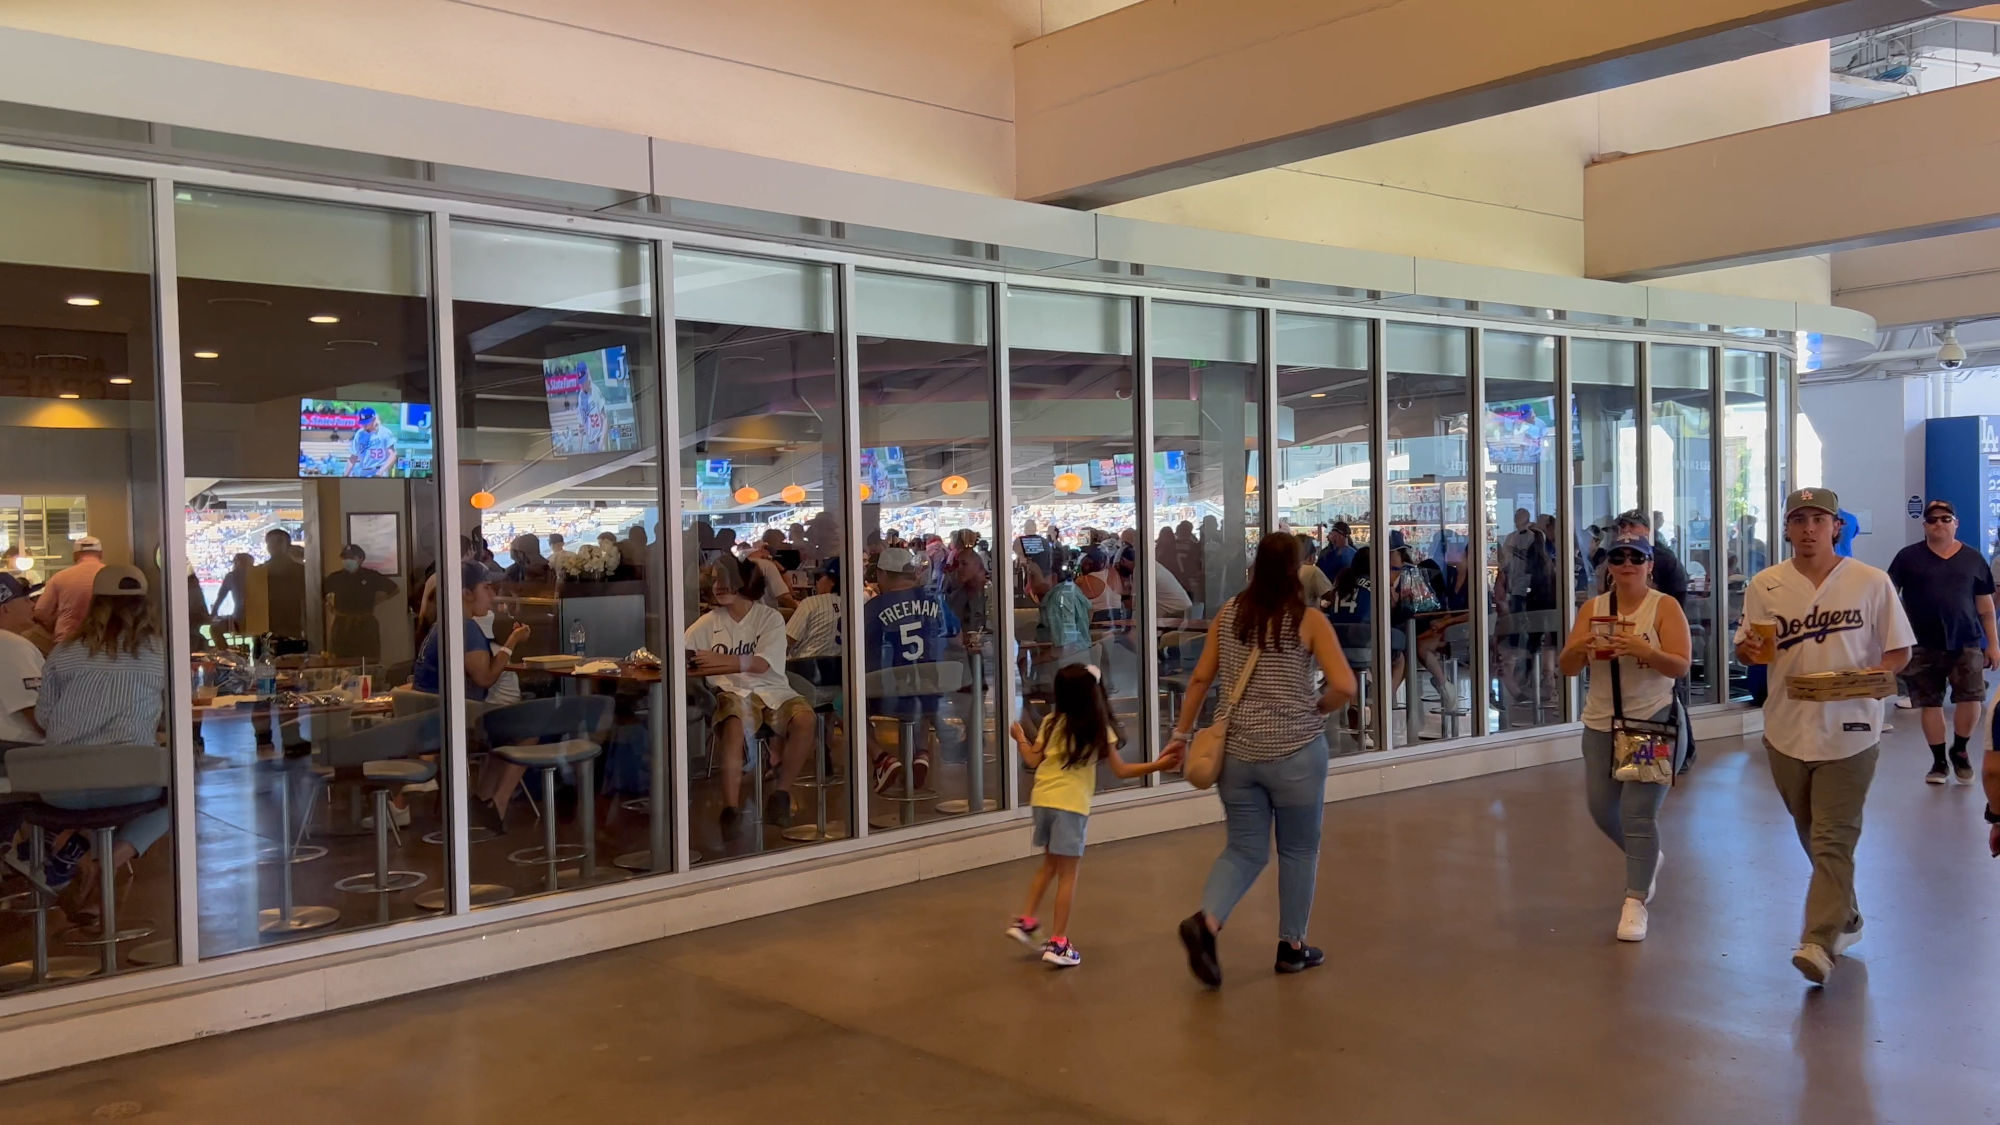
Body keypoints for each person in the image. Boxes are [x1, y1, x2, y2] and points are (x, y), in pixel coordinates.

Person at [1735, 487, 1913, 986]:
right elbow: (1753, 652)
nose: (1809, 528)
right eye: (1798, 519)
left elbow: (1900, 651)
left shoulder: (1870, 582)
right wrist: (1748, 650)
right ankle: (1847, 916)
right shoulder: (1766, 584)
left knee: (1835, 836)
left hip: (1852, 728)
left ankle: (1818, 940)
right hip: (1786, 725)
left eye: (1819, 519)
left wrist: (1874, 675)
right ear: (1786, 528)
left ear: (1837, 526)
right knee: (1810, 831)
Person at [1167, 533, 1357, 987]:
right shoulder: (1308, 621)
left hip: (1236, 754)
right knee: (1298, 850)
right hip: (1296, 754)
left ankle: (1207, 921)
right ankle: (1292, 947)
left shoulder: (1231, 613)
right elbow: (1345, 686)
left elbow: (1199, 678)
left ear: (1255, 565)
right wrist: (1319, 706)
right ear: (1296, 569)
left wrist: (1181, 734)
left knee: (1244, 849)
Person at [1557, 533, 1692, 942]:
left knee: (1637, 814)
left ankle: (1635, 900)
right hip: (1600, 722)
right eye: (1619, 557)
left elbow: (1680, 666)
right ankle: (1648, 857)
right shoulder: (1593, 609)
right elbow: (1566, 667)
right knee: (1602, 810)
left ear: (1651, 565)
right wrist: (1582, 645)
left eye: (1637, 557)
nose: (1628, 563)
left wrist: (1642, 649)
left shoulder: (1663, 607)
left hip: (1650, 722)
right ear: (1609, 566)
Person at [1003, 663, 1180, 968]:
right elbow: (1121, 770)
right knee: (1069, 875)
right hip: (1070, 805)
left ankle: (1027, 921)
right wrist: (1159, 766)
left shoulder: (1050, 722)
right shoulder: (1098, 727)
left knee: (1049, 865)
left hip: (1042, 799)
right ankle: (1059, 943)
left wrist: (1020, 737)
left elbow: (1032, 757)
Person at [33, 564, 169, 918]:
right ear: (146, 605)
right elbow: (175, 716)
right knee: (184, 791)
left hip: (60, 787)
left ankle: (83, 853)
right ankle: (110, 860)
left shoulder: (63, 653)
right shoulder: (161, 654)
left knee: (94, 807)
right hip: (129, 783)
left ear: (95, 603)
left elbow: (44, 719)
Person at [687, 559, 815, 833]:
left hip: (774, 689)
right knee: (734, 723)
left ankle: (781, 793)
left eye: (726, 579)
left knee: (805, 719)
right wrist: (724, 664)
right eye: (716, 580)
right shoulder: (708, 623)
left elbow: (761, 665)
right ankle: (730, 809)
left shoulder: (769, 618)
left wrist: (717, 660)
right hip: (731, 690)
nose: (719, 586)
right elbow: (685, 656)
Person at [1885, 500, 1998, 785]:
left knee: (1971, 699)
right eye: (1932, 520)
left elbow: (1986, 607)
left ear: (1955, 523)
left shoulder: (1973, 559)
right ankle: (1938, 761)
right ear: (1924, 525)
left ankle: (1959, 749)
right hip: (1921, 643)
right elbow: (1888, 599)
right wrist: (1891, 640)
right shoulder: (1907, 558)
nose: (1939, 524)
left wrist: (1993, 644)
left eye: (1945, 519)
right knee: (1930, 703)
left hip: (1967, 641)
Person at [414, 562, 532, 833]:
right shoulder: (465, 629)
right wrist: (512, 641)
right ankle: (497, 804)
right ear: (467, 593)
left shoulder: (441, 624)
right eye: (486, 588)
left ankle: (482, 801)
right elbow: (485, 678)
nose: (492, 596)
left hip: (435, 722)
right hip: (456, 723)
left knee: (507, 726)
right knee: (529, 729)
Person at [863, 546, 961, 793]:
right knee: (921, 689)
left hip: (885, 694)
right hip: (932, 693)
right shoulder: (934, 601)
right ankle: (921, 755)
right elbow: (957, 639)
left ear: (882, 574)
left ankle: (881, 758)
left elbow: (851, 642)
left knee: (843, 706)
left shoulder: (874, 607)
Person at [323, 544, 399, 662]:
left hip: (365, 625)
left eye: (351, 558)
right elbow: (321, 593)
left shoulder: (371, 576)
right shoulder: (335, 577)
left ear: (361, 559)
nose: (347, 561)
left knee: (368, 661)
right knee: (339, 660)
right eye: (345, 558)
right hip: (342, 625)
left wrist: (377, 601)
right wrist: (330, 607)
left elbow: (394, 589)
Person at [32, 535, 105, 644]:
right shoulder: (111, 577)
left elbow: (41, 612)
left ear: (75, 555)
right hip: (104, 640)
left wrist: (54, 625)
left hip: (67, 640)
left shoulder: (59, 577)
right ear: (101, 554)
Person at [0, 572, 45, 749]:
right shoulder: (11, 645)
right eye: (25, 599)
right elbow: (35, 713)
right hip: (21, 752)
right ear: (5, 608)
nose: (32, 605)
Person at [785, 563, 842, 661]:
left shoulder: (811, 603)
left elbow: (787, 639)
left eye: (819, 578)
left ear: (832, 581)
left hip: (805, 667)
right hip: (840, 667)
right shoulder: (851, 605)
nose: (816, 582)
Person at [343, 406, 398, 477]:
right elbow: (353, 457)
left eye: (366, 422)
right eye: (362, 422)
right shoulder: (359, 434)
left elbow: (393, 455)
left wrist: (381, 471)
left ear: (373, 419)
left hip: (380, 470)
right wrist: (345, 475)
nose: (364, 424)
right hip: (364, 471)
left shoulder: (384, 432)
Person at [210, 551, 252, 635]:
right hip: (262, 621)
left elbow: (220, 597)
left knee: (214, 630)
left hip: (239, 621)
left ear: (237, 563)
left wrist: (213, 613)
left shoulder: (231, 576)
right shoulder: (260, 575)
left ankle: (224, 648)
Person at [1295, 533, 1332, 608]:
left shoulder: (1284, 570)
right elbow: (1329, 595)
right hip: (1308, 616)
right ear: (1312, 555)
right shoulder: (1312, 571)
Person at [1315, 522, 1356, 588]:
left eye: (1332, 534)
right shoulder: (1355, 552)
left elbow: (1319, 572)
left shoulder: (1329, 554)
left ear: (1340, 536)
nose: (1329, 536)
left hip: (1332, 590)